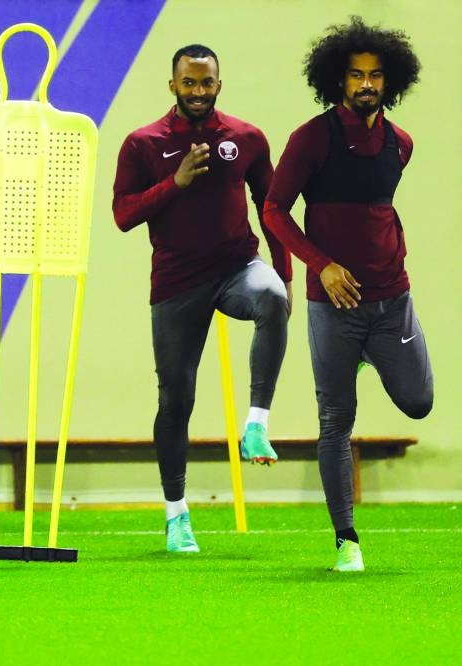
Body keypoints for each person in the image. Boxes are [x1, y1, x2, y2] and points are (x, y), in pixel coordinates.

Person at [264, 17, 431, 572]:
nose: (366, 84)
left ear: (390, 81)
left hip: (392, 299)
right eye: (356, 75)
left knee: (419, 401)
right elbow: (274, 209)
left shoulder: (401, 144)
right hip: (333, 305)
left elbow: (378, 213)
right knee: (336, 418)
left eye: (375, 75)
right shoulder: (311, 139)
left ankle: (371, 355)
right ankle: (346, 540)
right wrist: (322, 265)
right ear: (338, 79)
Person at [112, 44, 292, 553]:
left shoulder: (246, 138)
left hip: (237, 267)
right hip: (176, 281)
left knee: (271, 297)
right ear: (172, 85)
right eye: (188, 82)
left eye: (206, 82)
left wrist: (285, 275)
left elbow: (272, 206)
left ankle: (255, 426)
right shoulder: (143, 143)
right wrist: (175, 183)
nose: (197, 91)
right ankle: (177, 516)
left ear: (219, 84)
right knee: (176, 400)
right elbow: (123, 215)